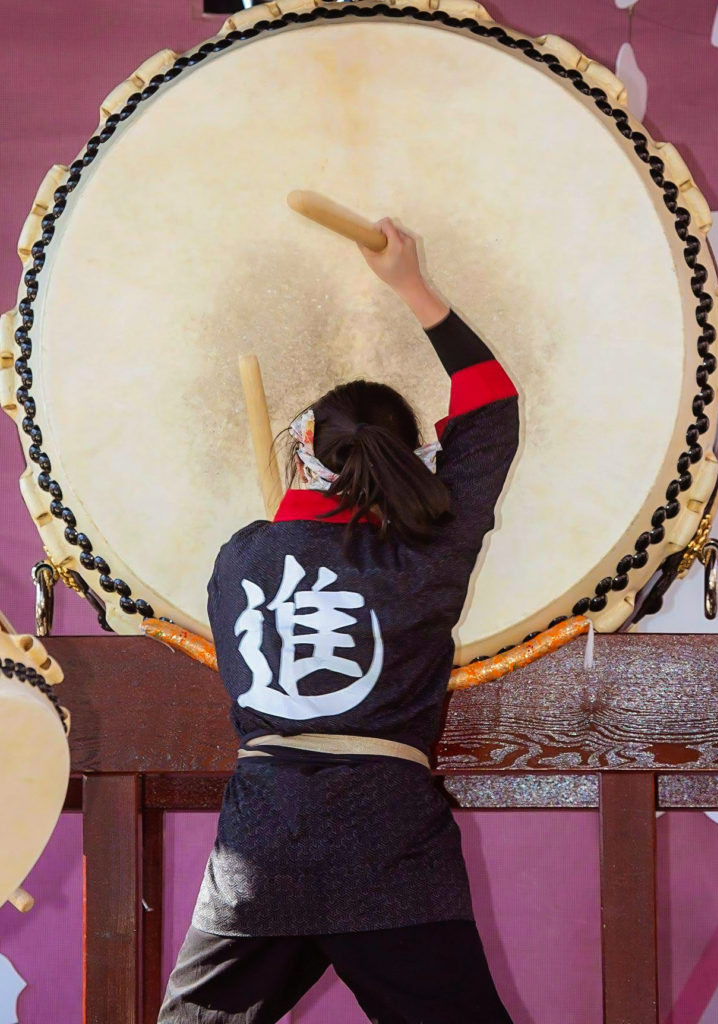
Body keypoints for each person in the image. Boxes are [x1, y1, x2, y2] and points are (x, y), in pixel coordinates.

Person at [157, 218, 520, 1024]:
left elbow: (301, 541)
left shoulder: (241, 557)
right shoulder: (427, 558)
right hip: (388, 844)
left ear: (308, 448)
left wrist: (297, 487)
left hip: (263, 840)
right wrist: (412, 287)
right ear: (409, 458)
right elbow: (493, 410)